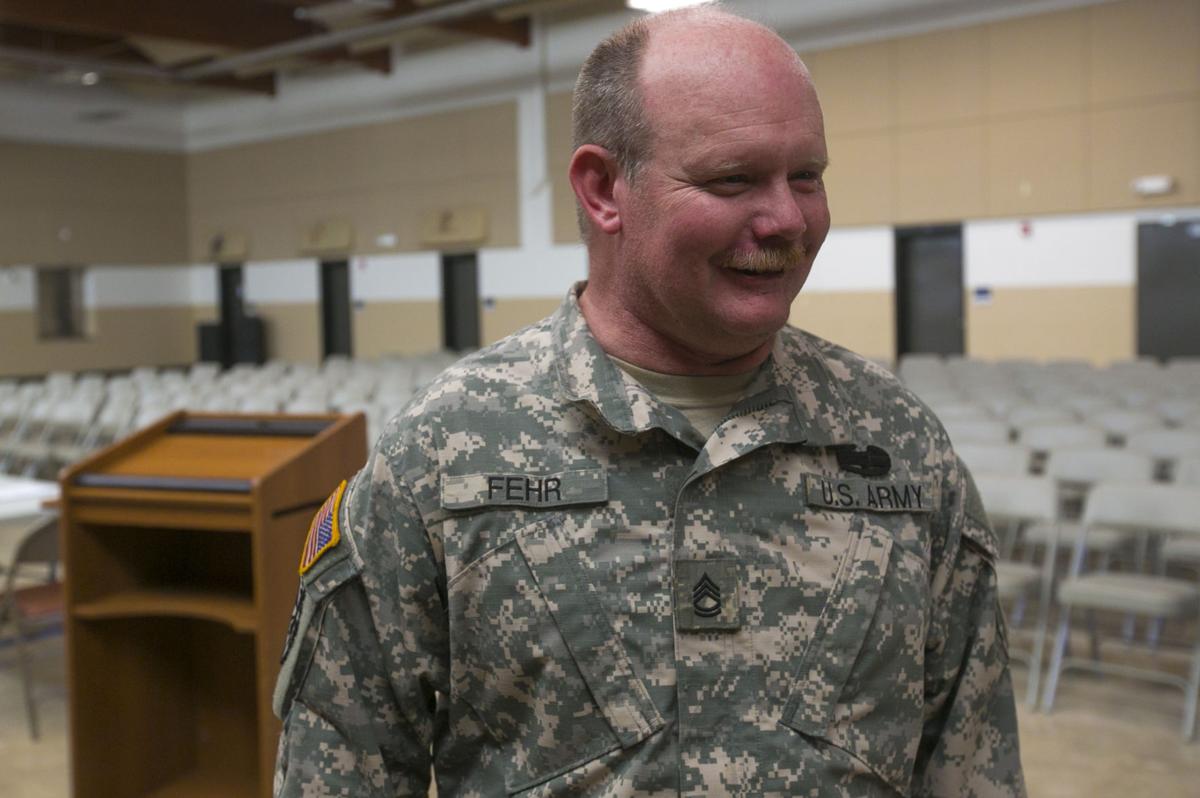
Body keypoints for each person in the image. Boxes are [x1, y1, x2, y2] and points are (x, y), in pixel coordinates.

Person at [273, 6, 1026, 797]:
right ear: (604, 189)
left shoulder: (897, 445)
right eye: (733, 179)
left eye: (806, 176)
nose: (788, 219)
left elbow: (971, 766)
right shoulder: (444, 454)